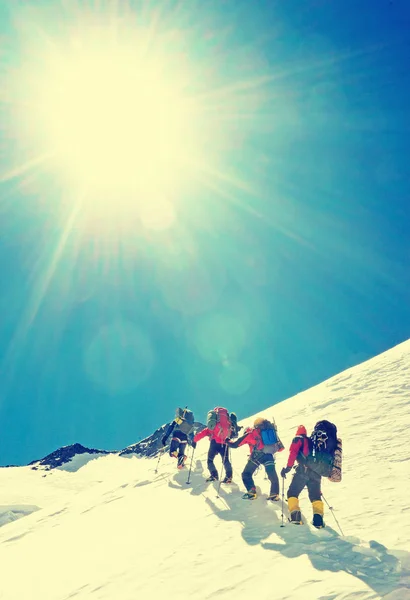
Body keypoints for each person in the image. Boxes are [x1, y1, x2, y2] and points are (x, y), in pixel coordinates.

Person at [281, 420, 341, 528]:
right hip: (316, 473)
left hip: (303, 471)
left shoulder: (298, 439)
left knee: (292, 493)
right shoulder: (312, 442)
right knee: (315, 496)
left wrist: (288, 468)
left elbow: (293, 453)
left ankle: (296, 518)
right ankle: (318, 522)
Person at [227, 417, 282, 500]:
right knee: (272, 474)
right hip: (269, 456)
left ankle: (251, 492)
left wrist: (227, 440)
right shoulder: (269, 431)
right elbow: (280, 448)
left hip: (257, 456)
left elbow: (234, 445)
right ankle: (274, 494)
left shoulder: (251, 433)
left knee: (246, 474)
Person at [192, 407, 237, 482]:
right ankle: (229, 476)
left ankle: (214, 475)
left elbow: (203, 433)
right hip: (225, 443)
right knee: (225, 460)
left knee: (210, 460)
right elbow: (232, 433)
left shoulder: (213, 425)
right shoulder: (228, 423)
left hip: (214, 442)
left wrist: (194, 440)